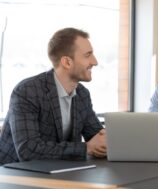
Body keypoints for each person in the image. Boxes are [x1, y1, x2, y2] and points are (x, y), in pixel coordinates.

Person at [0, 27, 107, 165]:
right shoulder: (27, 91)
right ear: (67, 62)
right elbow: (28, 151)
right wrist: (85, 148)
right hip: (15, 176)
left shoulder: (82, 94)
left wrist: (107, 141)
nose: (95, 62)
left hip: (61, 172)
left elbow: (96, 137)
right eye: (87, 55)